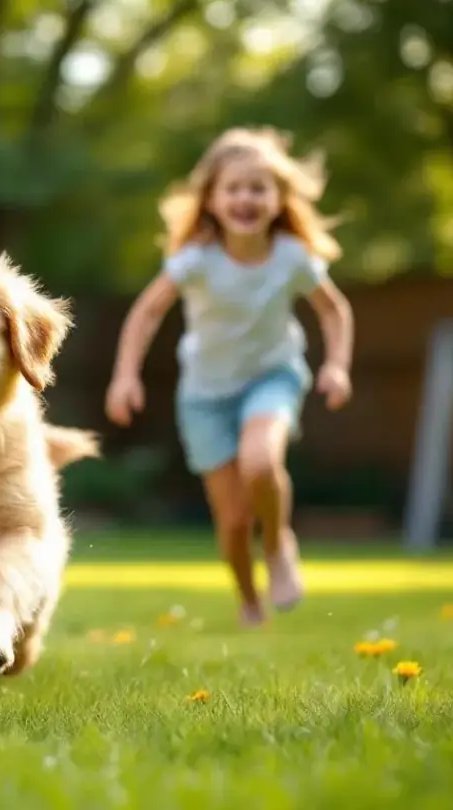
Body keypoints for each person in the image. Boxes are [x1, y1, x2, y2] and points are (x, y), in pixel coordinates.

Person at [105, 127, 355, 627]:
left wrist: (336, 365)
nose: (245, 198)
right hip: (204, 396)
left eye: (258, 188)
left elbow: (333, 311)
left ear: (279, 199)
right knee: (235, 522)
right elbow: (146, 314)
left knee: (261, 461)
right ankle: (248, 601)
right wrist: (125, 375)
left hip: (272, 375)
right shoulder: (195, 259)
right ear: (213, 200)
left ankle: (280, 541)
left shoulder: (292, 257)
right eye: (234, 188)